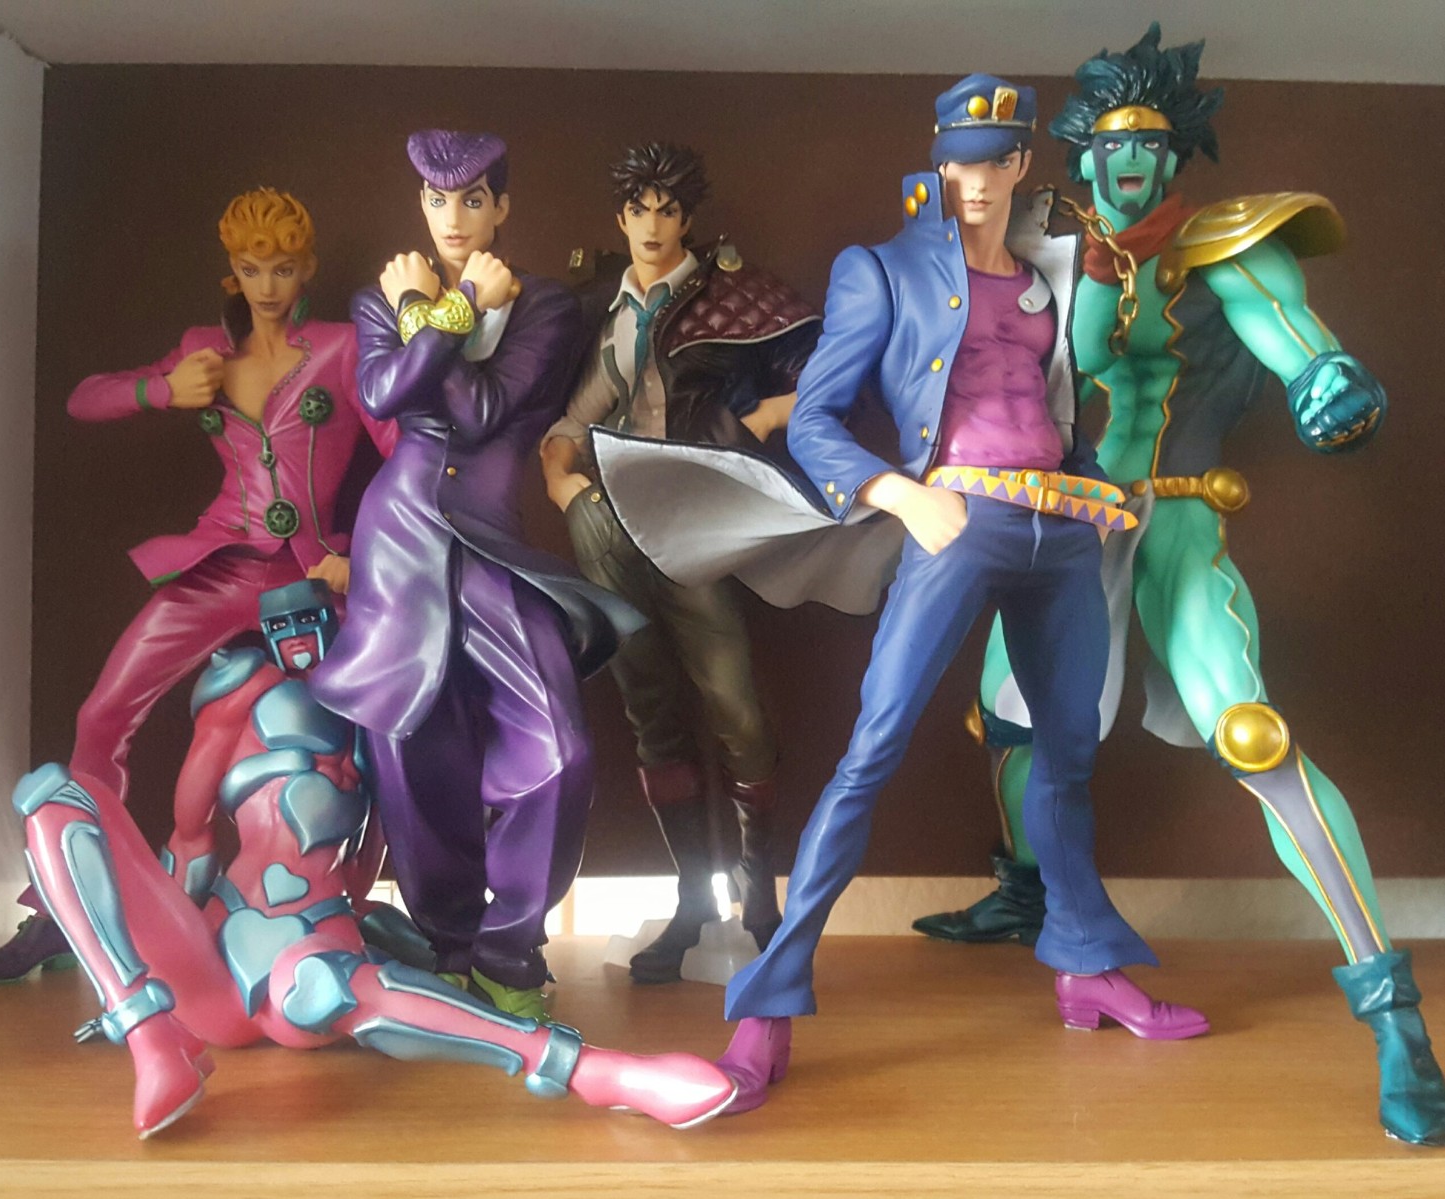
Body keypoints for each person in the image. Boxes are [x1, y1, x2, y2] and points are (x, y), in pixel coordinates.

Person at [913, 26, 1444, 1147]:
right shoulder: (1043, 257)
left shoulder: (1228, 248)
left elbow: (1295, 337)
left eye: (1151, 144)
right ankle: (1026, 888)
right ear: (1081, 155)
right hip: (1069, 523)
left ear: (1176, 154)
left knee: (1250, 732)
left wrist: (1327, 382)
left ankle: (1392, 1011)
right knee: (1004, 717)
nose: (1131, 163)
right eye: (1112, 144)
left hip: (1180, 517)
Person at [704, 74, 1206, 1113]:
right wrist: (900, 494)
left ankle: (1085, 965)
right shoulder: (884, 269)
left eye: (992, 161)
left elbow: (1055, 417)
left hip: (1059, 528)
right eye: (957, 161)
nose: (973, 180)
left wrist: (1100, 493)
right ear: (939, 164)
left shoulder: (1048, 277)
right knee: (872, 750)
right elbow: (815, 421)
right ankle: (768, 1002)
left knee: (1067, 755)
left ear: (1020, 165)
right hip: (958, 518)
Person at [17, 580, 735, 1138]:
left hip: (309, 950)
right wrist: (153, 968)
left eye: (310, 620)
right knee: (51, 795)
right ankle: (147, 1037)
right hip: (214, 949)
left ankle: (596, 1070)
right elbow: (190, 837)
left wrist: (371, 923)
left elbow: (387, 842)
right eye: (281, 626)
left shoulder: (379, 713)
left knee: (326, 988)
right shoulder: (243, 692)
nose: (296, 639)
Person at [0, 188, 396, 983]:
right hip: (219, 565)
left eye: (283, 268)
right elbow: (84, 399)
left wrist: (362, 555)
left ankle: (349, 910)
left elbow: (406, 451)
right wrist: (161, 390)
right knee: (103, 713)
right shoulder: (206, 350)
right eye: (251, 268)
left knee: (372, 733)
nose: (267, 285)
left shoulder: (341, 348)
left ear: (307, 269)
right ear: (232, 270)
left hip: (309, 576)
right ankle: (67, 906)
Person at [308, 130, 639, 1020]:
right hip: (399, 536)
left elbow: (481, 408)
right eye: (435, 199)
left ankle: (508, 945)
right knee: (412, 745)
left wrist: (432, 313)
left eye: (470, 199)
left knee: (559, 749)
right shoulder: (382, 295)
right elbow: (381, 394)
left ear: (501, 206)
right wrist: (447, 309)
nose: (451, 217)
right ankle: (448, 945)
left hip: (491, 539)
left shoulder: (545, 304)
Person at [541, 143, 820, 983]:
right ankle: (691, 899)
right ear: (620, 217)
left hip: (694, 521)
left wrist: (761, 420)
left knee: (739, 711)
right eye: (640, 210)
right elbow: (572, 418)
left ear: (687, 219)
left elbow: (821, 376)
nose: (653, 225)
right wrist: (563, 484)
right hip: (610, 524)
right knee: (651, 714)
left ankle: (757, 892)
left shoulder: (729, 293)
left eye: (667, 210)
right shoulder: (608, 308)